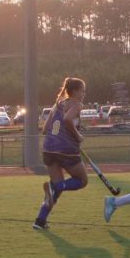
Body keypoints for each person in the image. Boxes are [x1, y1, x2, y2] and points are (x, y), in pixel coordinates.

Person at [34, 77, 89, 230]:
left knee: (56, 187)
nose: (84, 94)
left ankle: (40, 220)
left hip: (48, 149)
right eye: (82, 91)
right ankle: (56, 188)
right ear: (76, 91)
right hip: (66, 151)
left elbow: (45, 129)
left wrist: (61, 135)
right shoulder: (77, 104)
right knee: (82, 181)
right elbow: (67, 119)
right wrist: (77, 136)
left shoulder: (57, 104)